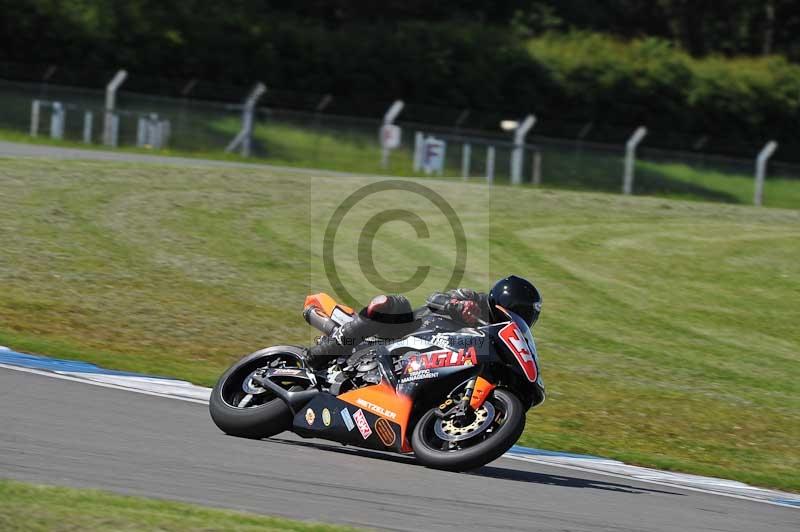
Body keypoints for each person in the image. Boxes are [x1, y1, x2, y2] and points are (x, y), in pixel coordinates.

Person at [302, 275, 542, 370]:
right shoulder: (475, 300)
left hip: (429, 364)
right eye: (519, 310)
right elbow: (435, 297)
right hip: (410, 331)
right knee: (391, 303)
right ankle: (325, 351)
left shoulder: (497, 339)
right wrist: (456, 305)